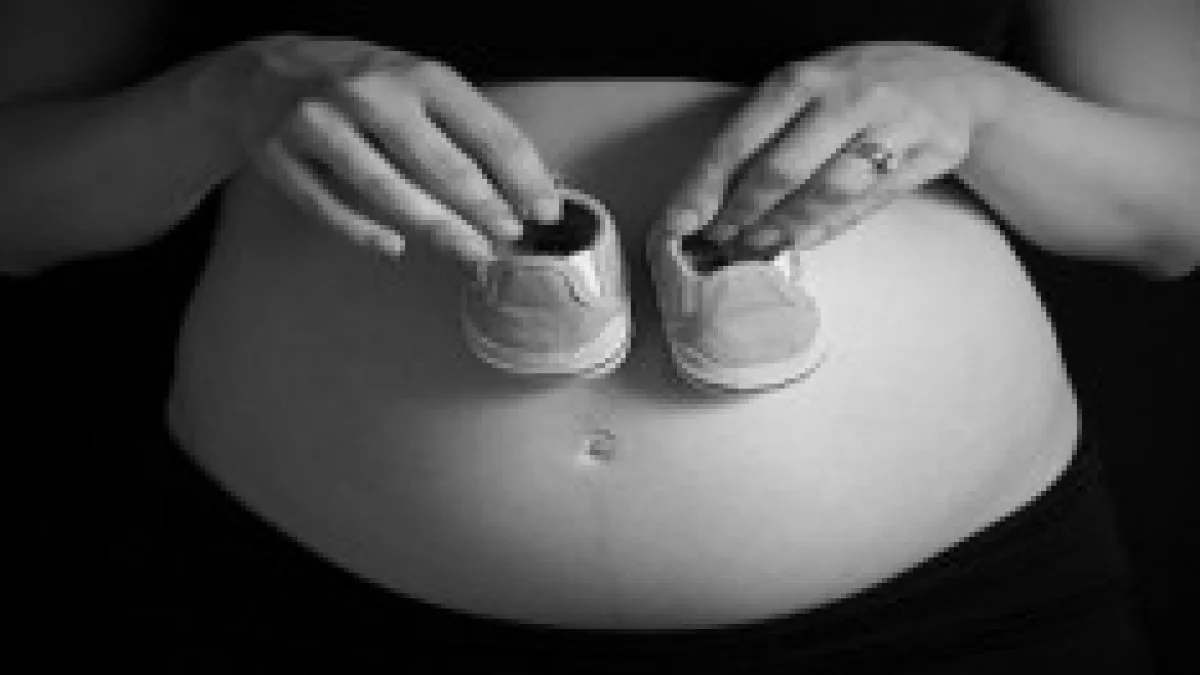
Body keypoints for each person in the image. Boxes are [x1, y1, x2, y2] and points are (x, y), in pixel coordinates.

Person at [4, 0, 1196, 671]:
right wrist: (223, 97)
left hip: (951, 621)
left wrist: (981, 105)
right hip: (294, 602)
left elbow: (1176, 212)